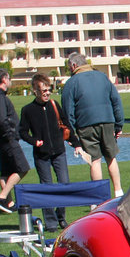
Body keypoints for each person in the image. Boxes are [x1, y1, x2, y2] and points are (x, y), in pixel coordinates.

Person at [18, 73, 83, 230]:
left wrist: (76, 144)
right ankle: (51, 222)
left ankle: (61, 217)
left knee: (64, 184)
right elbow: (22, 132)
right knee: (46, 188)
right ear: (35, 91)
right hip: (42, 155)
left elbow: (66, 125)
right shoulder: (28, 110)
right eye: (43, 90)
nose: (47, 93)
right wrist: (34, 142)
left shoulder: (55, 105)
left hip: (59, 151)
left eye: (48, 90)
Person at [62, 52, 125, 197]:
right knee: (111, 157)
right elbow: (116, 101)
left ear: (74, 65)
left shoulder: (72, 82)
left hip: (85, 124)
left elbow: (68, 110)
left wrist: (71, 133)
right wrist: (119, 124)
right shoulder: (102, 77)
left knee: (95, 160)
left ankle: (99, 196)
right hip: (107, 121)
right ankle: (118, 192)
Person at [0, 69, 32, 214]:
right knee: (22, 168)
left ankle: (8, 203)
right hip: (8, 139)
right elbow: (2, 119)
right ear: (4, 79)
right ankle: (2, 196)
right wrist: (11, 134)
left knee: (6, 171)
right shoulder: (1, 98)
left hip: (4, 140)